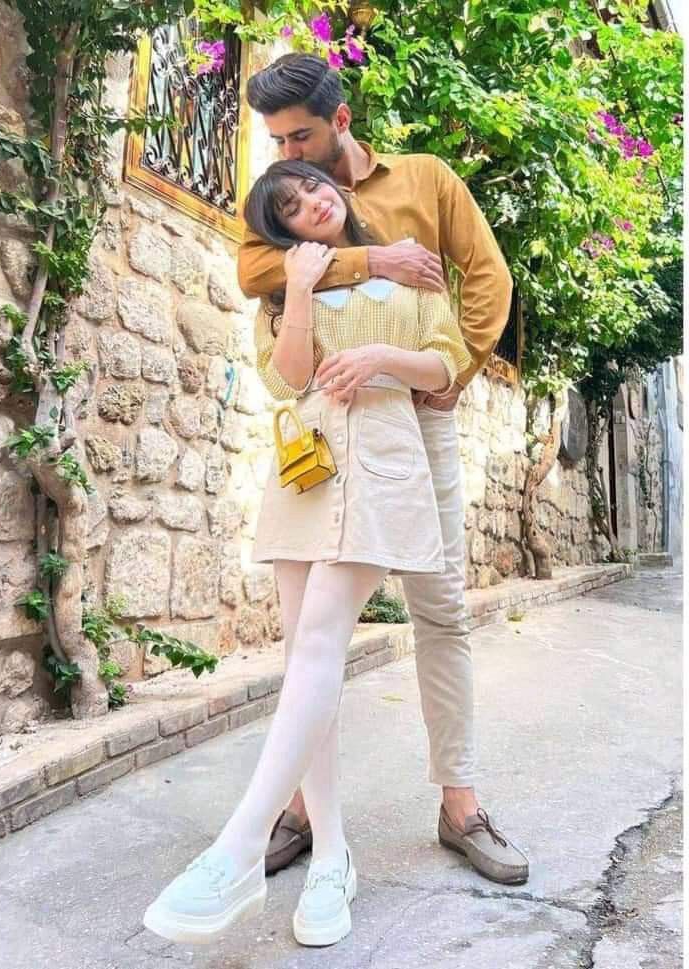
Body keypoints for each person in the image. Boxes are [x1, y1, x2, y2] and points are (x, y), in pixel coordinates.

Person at [143, 159, 472, 948]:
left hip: (387, 460)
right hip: (307, 465)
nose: (311, 205)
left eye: (314, 188)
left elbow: (446, 362)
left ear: (339, 191)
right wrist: (296, 290)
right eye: (289, 207)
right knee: (305, 661)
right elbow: (289, 379)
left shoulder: (409, 262)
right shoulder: (287, 284)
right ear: (285, 230)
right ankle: (330, 855)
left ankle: (239, 846)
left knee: (322, 638)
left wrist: (378, 359)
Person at [239, 53, 530, 888]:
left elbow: (486, 277)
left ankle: (460, 802)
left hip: (411, 419)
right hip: (320, 431)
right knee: (310, 633)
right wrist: (377, 262)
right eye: (275, 139)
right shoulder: (282, 192)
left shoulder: (428, 180)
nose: (287, 154)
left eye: (300, 135)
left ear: (341, 119)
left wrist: (454, 372)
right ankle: (302, 807)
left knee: (440, 607)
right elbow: (258, 272)